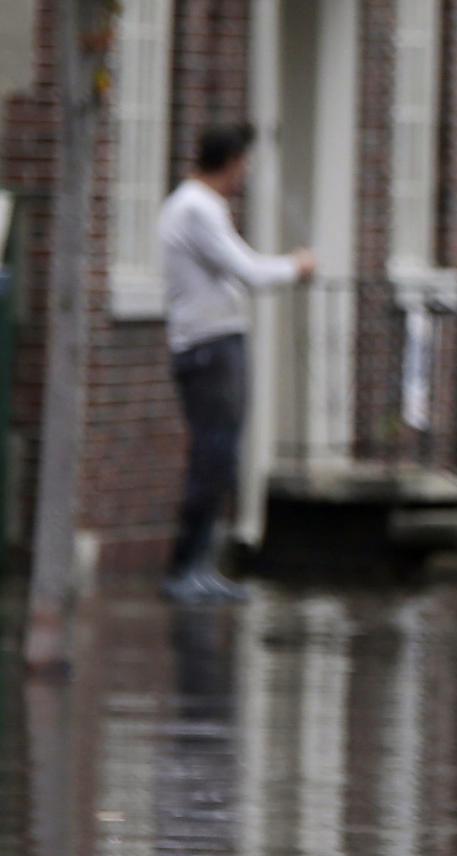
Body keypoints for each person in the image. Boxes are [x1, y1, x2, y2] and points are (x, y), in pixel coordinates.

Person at [156, 122, 314, 603]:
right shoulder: (197, 209)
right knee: (213, 455)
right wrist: (296, 266)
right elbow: (246, 271)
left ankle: (200, 565)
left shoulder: (200, 207)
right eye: (243, 163)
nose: (245, 174)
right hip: (209, 347)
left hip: (215, 344)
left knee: (219, 457)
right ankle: (185, 566)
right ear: (229, 162)